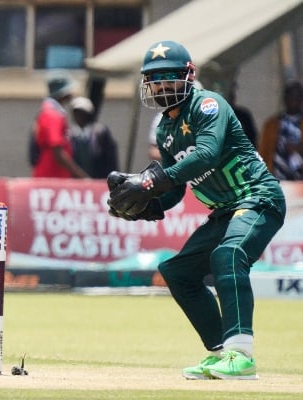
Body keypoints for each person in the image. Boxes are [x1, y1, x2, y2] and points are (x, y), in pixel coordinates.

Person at [107, 40, 285, 380]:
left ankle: (241, 356)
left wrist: (145, 184)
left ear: (188, 76)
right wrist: (145, 208)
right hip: (224, 211)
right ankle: (222, 353)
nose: (161, 86)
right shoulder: (164, 128)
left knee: (228, 255)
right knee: (177, 272)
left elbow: (206, 155)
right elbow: (174, 191)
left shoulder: (207, 105)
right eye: (154, 79)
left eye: (169, 77)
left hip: (258, 198)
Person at [32, 75, 88, 178]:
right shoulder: (52, 115)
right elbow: (57, 152)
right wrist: (81, 177)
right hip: (51, 175)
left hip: (54, 175)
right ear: (63, 93)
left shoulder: (51, 112)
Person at [258, 80, 303, 180]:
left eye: (298, 96)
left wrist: (298, 148)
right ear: (285, 99)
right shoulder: (271, 124)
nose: (294, 99)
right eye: (291, 96)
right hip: (276, 179)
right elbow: (263, 152)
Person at [69, 96, 118, 178]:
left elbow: (110, 159)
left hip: (98, 178)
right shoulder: (70, 134)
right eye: (76, 112)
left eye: (81, 112)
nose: (78, 116)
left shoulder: (100, 132)